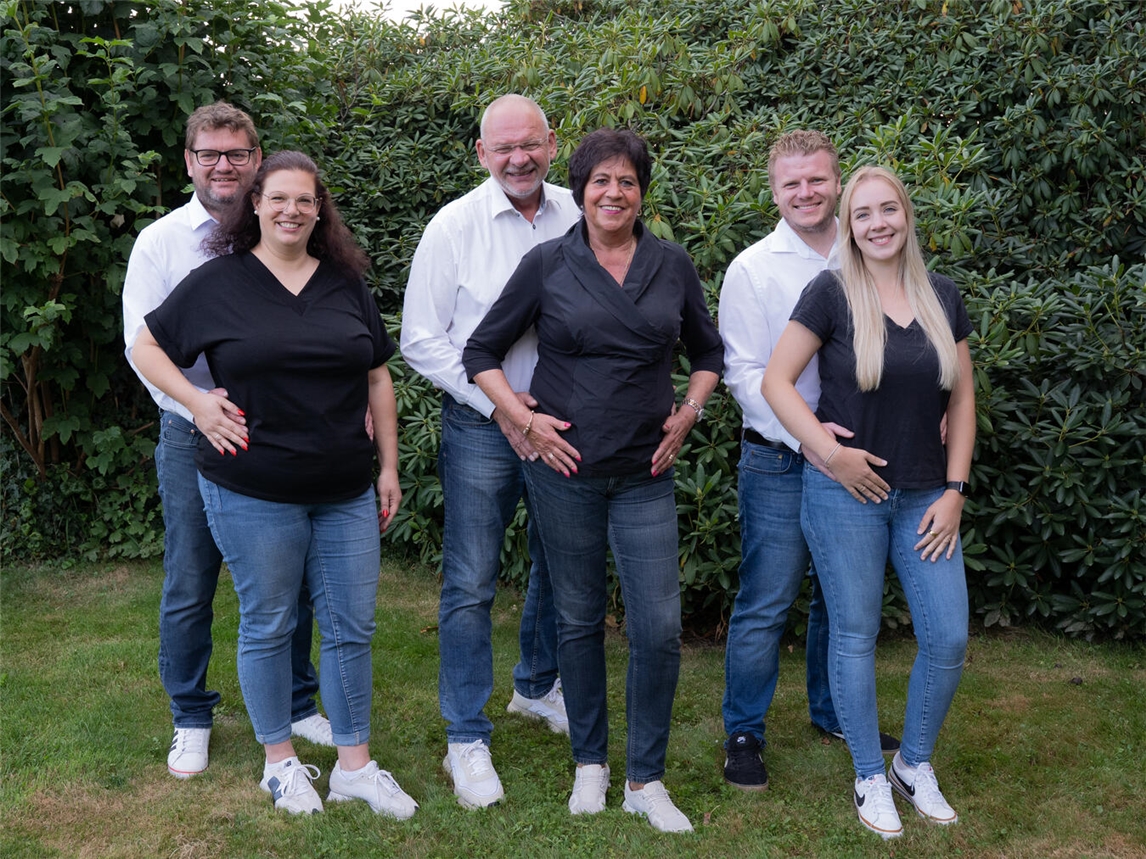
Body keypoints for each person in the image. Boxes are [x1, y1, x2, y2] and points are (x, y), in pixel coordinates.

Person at [132, 151, 417, 819]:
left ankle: (354, 767)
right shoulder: (217, 283)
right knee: (269, 621)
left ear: (320, 211)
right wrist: (196, 404)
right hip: (251, 487)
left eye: (305, 200)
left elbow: (377, 374)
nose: (292, 210)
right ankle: (280, 764)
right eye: (279, 198)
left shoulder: (345, 284)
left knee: (352, 626)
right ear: (255, 204)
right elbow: (145, 347)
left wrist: (389, 466)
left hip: (345, 487)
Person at [464, 128, 724, 833]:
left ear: (642, 192)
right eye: (601, 181)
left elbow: (709, 352)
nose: (614, 193)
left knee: (659, 628)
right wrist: (523, 419)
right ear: (579, 191)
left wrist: (690, 412)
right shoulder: (548, 263)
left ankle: (645, 778)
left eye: (627, 181)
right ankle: (590, 764)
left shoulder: (671, 265)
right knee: (577, 619)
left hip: (645, 472)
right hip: (566, 470)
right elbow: (481, 351)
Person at [763, 165, 975, 839]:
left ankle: (912, 763)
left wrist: (955, 491)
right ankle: (867, 774)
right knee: (854, 634)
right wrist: (830, 454)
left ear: (906, 215)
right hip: (845, 496)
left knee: (948, 636)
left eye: (888, 210)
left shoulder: (942, 295)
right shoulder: (830, 293)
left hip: (925, 497)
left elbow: (963, 401)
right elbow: (776, 382)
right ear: (849, 227)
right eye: (863, 214)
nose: (878, 223)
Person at [123, 102, 331, 781]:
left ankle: (297, 702)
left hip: (281, 433)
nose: (223, 165)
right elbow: (140, 346)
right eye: (209, 154)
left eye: (236, 154)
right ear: (189, 162)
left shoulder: (283, 229)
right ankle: (191, 715)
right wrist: (198, 407)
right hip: (193, 434)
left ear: (256, 160)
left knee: (289, 575)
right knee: (192, 578)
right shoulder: (161, 243)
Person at [400, 94, 580, 809]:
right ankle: (465, 734)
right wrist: (502, 407)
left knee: (560, 564)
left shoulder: (579, 212)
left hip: (566, 422)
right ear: (481, 153)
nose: (518, 158)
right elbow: (421, 338)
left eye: (529, 144)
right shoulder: (454, 226)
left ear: (552, 143)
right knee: (471, 579)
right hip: (482, 427)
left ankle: (536, 686)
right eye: (503, 147)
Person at [718, 131, 898, 791]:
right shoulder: (753, 269)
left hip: (859, 455)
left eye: (817, 179)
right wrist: (812, 440)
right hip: (781, 459)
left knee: (840, 599)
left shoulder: (871, 251)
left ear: (836, 181)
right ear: (774, 192)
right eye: (791, 183)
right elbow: (744, 374)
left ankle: (835, 713)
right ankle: (744, 733)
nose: (806, 192)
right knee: (767, 600)